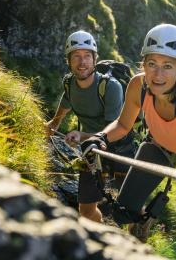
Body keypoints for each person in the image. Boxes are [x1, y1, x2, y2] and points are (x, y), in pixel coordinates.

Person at [82, 24, 176, 260]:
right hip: (160, 145)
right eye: (152, 64)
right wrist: (100, 138)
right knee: (123, 212)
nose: (158, 75)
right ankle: (141, 233)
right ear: (144, 64)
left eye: (167, 66)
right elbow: (123, 125)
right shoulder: (138, 86)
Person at [45, 30, 135, 222]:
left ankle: (140, 230)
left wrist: (81, 135)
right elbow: (67, 100)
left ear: (95, 59)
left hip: (120, 148)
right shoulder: (69, 83)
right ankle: (99, 239)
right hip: (91, 150)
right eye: (76, 56)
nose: (82, 62)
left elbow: (114, 129)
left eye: (87, 56)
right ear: (68, 61)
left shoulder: (110, 87)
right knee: (86, 210)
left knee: (130, 208)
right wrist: (55, 123)